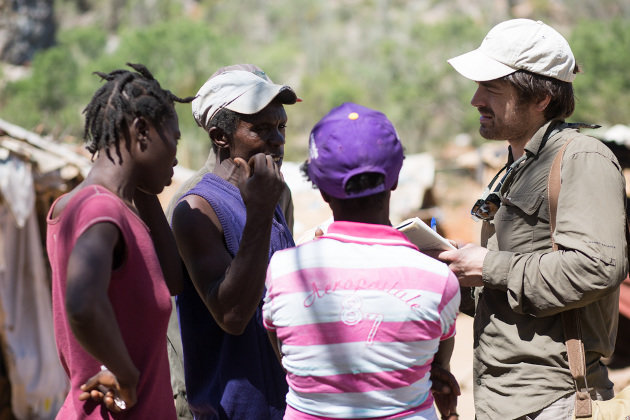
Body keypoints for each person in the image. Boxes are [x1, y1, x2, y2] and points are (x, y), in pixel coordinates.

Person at [441, 19, 628, 419]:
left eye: (491, 88)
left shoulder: (582, 158)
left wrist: (489, 265)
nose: (475, 100)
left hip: (554, 402)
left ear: (541, 97)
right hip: (504, 401)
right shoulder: (516, 166)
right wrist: (450, 268)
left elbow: (598, 267)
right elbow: (512, 289)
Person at [262, 102, 461, 420]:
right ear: (395, 179)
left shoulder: (283, 271)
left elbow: (287, 360)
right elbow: (437, 370)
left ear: (321, 190)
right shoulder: (439, 281)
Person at [45, 63, 192, 419]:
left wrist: (142, 187)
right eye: (173, 138)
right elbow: (82, 303)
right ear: (142, 130)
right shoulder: (99, 209)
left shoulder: (111, 208)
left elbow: (173, 281)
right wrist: (125, 373)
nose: (175, 154)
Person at [163, 64, 295, 420]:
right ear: (221, 136)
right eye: (262, 129)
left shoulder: (271, 190)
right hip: (228, 407)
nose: (279, 140)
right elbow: (232, 314)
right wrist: (262, 210)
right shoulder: (196, 206)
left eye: (281, 127)